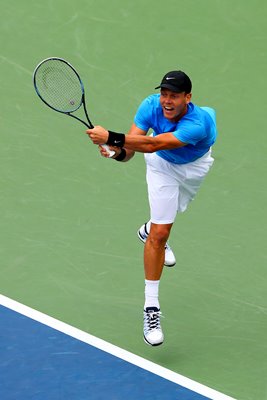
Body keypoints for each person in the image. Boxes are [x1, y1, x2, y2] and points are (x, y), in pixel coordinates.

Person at [87, 70, 218, 346]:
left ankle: (148, 230)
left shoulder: (199, 123)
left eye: (174, 96)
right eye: (164, 95)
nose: (167, 101)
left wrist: (110, 136)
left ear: (187, 98)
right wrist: (115, 152)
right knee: (162, 233)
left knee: (165, 223)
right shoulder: (150, 106)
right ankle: (151, 308)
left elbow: (154, 141)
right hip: (161, 166)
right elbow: (133, 151)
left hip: (195, 168)